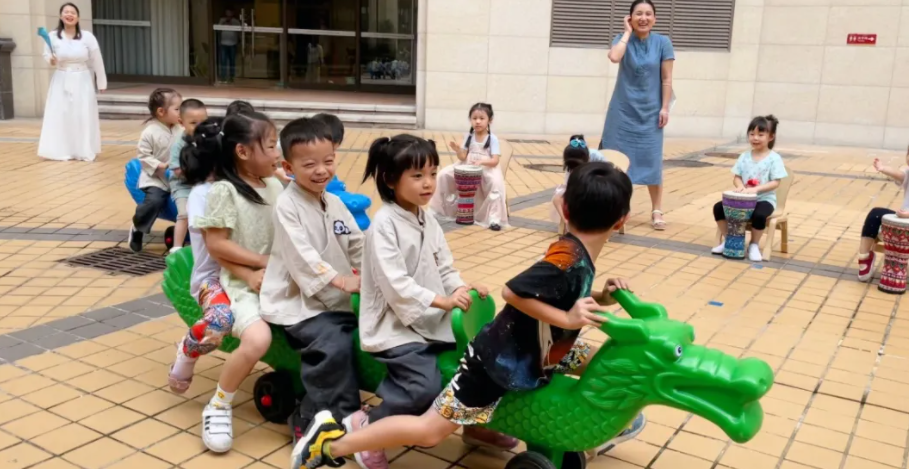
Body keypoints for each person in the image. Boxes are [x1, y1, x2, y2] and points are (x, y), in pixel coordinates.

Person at [291, 161, 647, 468]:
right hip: (497, 362)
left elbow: (557, 295)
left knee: (599, 358)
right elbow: (514, 292)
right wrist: (568, 320)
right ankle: (330, 443)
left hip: (538, 350)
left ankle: (495, 429)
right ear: (622, 220)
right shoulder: (565, 259)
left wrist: (603, 296)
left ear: (564, 209)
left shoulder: (577, 252)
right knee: (430, 431)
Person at [259, 118, 364, 445]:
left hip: (332, 296)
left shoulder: (332, 203)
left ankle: (347, 413)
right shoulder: (287, 205)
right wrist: (340, 281)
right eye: (310, 164)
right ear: (289, 167)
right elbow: (302, 255)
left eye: (329, 161)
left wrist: (375, 271)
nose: (322, 170)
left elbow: (356, 241)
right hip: (298, 302)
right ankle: (311, 416)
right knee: (332, 343)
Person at [193, 111, 284, 453]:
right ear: (243, 152)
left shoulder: (275, 183)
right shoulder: (225, 191)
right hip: (244, 284)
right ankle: (218, 404)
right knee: (257, 338)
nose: (277, 153)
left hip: (281, 280)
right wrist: (257, 266)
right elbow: (216, 245)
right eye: (272, 146)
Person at [166, 117, 257, 395]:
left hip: (250, 272)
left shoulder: (250, 184)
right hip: (214, 278)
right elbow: (217, 247)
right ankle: (188, 350)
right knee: (220, 319)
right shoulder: (203, 195)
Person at [601, 0, 674, 231]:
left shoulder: (663, 42)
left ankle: (657, 210)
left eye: (648, 14)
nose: (643, 18)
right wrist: (626, 33)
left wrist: (664, 108)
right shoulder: (623, 38)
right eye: (638, 14)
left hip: (651, 112)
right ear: (630, 17)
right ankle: (619, 208)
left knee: (652, 160)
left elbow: (666, 79)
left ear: (655, 18)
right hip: (621, 111)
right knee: (616, 161)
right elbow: (614, 57)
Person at [38, 2, 107, 162]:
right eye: (66, 12)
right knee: (61, 112)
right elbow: (46, 54)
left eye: (73, 13)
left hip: (81, 77)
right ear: (61, 16)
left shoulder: (87, 36)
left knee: (82, 113)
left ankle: (82, 150)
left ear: (78, 17)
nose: (69, 15)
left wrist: (101, 82)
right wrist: (51, 60)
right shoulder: (53, 36)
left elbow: (97, 59)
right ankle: (60, 150)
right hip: (61, 77)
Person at [711, 116, 787, 263]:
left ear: (771, 137)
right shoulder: (744, 156)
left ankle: (754, 245)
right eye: (752, 134)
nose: (755, 138)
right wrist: (740, 187)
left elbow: (775, 182)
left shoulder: (774, 158)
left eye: (760, 134)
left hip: (764, 200)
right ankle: (729, 240)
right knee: (718, 208)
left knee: (759, 215)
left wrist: (755, 190)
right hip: (743, 200)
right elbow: (737, 177)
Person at [430, 103, 508, 231]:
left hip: (486, 169)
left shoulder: (492, 139)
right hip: (466, 167)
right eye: (474, 118)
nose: (477, 121)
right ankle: (438, 209)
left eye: (481, 118)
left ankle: (494, 218)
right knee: (443, 174)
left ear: (490, 120)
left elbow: (494, 160)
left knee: (495, 184)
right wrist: (457, 150)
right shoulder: (469, 136)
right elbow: (463, 157)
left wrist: (482, 162)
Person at [128, 88, 183, 253]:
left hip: (179, 176)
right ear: (161, 111)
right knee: (155, 200)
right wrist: (159, 165)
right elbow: (143, 156)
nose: (181, 112)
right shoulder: (149, 133)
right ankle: (138, 228)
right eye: (177, 109)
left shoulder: (181, 129)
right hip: (156, 178)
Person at [857, 145, 909, 281]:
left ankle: (901, 268)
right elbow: (900, 174)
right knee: (875, 214)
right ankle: (864, 257)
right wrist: (882, 168)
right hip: (902, 223)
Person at [167, 99, 208, 254]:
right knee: (184, 214)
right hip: (183, 185)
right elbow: (177, 169)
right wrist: (197, 175)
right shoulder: (179, 143)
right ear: (181, 122)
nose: (199, 127)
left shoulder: (208, 140)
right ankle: (176, 248)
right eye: (193, 123)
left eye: (203, 122)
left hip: (204, 183)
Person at [551, 135, 608, 223]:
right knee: (557, 198)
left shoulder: (596, 157)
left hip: (597, 187)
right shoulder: (570, 166)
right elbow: (568, 183)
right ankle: (566, 222)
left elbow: (607, 174)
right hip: (578, 187)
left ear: (587, 158)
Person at [218, 9, 241, 83]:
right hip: (223, 43)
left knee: (232, 61)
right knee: (223, 61)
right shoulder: (222, 20)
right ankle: (223, 77)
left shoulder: (236, 21)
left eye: (230, 12)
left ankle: (231, 77)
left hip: (233, 43)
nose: (228, 14)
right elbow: (218, 29)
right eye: (227, 12)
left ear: (232, 13)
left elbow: (239, 31)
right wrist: (223, 22)